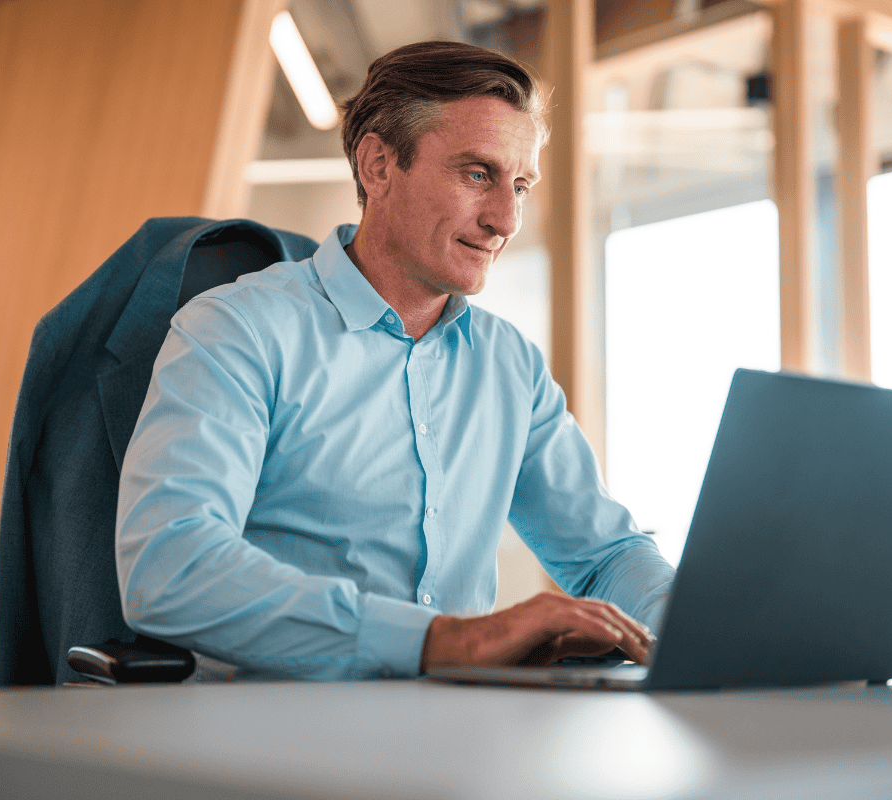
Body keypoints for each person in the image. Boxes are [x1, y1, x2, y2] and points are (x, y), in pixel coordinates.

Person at [116, 40, 675, 681]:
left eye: (520, 185)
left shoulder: (507, 365)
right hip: (273, 743)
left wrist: (697, 631)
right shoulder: (238, 330)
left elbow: (606, 554)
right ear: (379, 166)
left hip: (458, 745)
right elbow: (170, 569)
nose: (505, 219)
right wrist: (449, 641)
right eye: (477, 175)